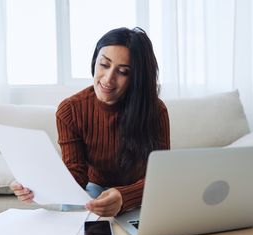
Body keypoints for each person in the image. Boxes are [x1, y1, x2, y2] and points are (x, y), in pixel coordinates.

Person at [10, 27, 170, 217]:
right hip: (94, 188)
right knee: (73, 209)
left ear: (136, 78)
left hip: (139, 190)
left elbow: (160, 175)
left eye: (123, 72)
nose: (108, 79)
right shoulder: (70, 110)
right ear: (95, 61)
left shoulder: (155, 111)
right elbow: (76, 173)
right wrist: (38, 186)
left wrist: (124, 196)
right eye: (104, 64)